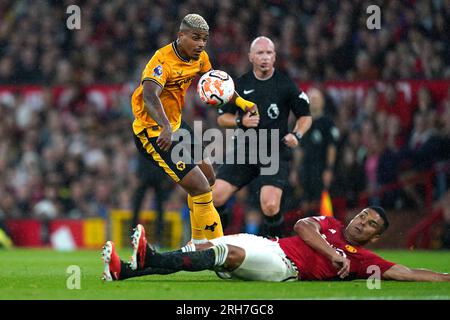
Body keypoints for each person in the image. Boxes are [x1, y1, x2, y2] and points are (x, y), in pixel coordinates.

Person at [130, 14, 258, 244]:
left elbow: (219, 85)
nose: (201, 44)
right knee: (199, 186)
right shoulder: (161, 61)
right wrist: (165, 126)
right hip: (154, 133)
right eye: (196, 38)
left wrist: (242, 103)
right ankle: (218, 248)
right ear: (181, 36)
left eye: (205, 39)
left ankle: (197, 242)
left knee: (209, 178)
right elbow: (149, 96)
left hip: (177, 127)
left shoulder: (200, 59)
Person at [102, 206, 450, 282]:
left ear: (375, 237)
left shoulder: (363, 258)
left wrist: (445, 279)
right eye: (363, 216)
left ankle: (152, 257)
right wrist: (332, 253)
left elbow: (407, 271)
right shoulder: (328, 225)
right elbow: (301, 226)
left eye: (371, 224)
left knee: (225, 253)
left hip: (284, 268)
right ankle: (126, 271)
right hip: (270, 245)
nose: (363, 222)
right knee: (202, 243)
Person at [212, 36, 312, 237]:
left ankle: (278, 250)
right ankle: (218, 243)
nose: (265, 57)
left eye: (269, 53)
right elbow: (222, 119)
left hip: (274, 151)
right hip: (245, 149)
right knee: (215, 197)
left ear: (274, 57)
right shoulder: (240, 85)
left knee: (270, 205)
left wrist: (297, 135)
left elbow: (305, 116)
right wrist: (241, 122)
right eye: (260, 53)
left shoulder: (285, 84)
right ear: (251, 57)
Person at [294, 87, 339, 215]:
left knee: (321, 205)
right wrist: (295, 170)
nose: (313, 101)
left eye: (316, 98)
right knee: (304, 205)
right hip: (305, 170)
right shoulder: (301, 123)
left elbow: (332, 147)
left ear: (322, 102)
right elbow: (299, 149)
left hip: (320, 169)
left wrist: (329, 169)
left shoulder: (327, 123)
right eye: (311, 99)